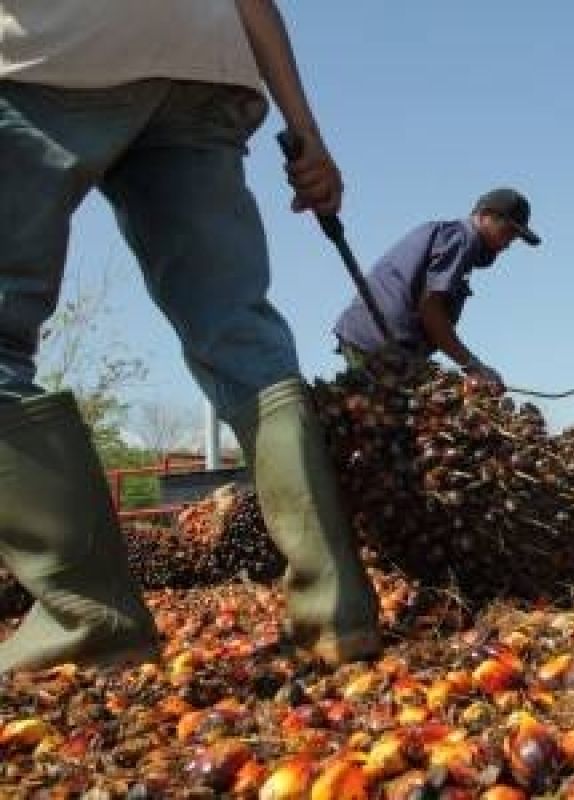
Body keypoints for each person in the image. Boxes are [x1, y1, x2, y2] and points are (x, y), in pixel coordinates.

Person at [0, 0, 380, 671]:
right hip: (205, 64)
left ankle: (87, 617)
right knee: (239, 331)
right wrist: (307, 131)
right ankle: (336, 605)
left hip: (50, 54)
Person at [333, 188, 542, 388]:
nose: (506, 245)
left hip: (375, 338)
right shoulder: (461, 239)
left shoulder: (448, 235)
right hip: (379, 342)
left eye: (514, 239)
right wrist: (472, 366)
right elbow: (430, 309)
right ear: (485, 215)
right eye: (507, 233)